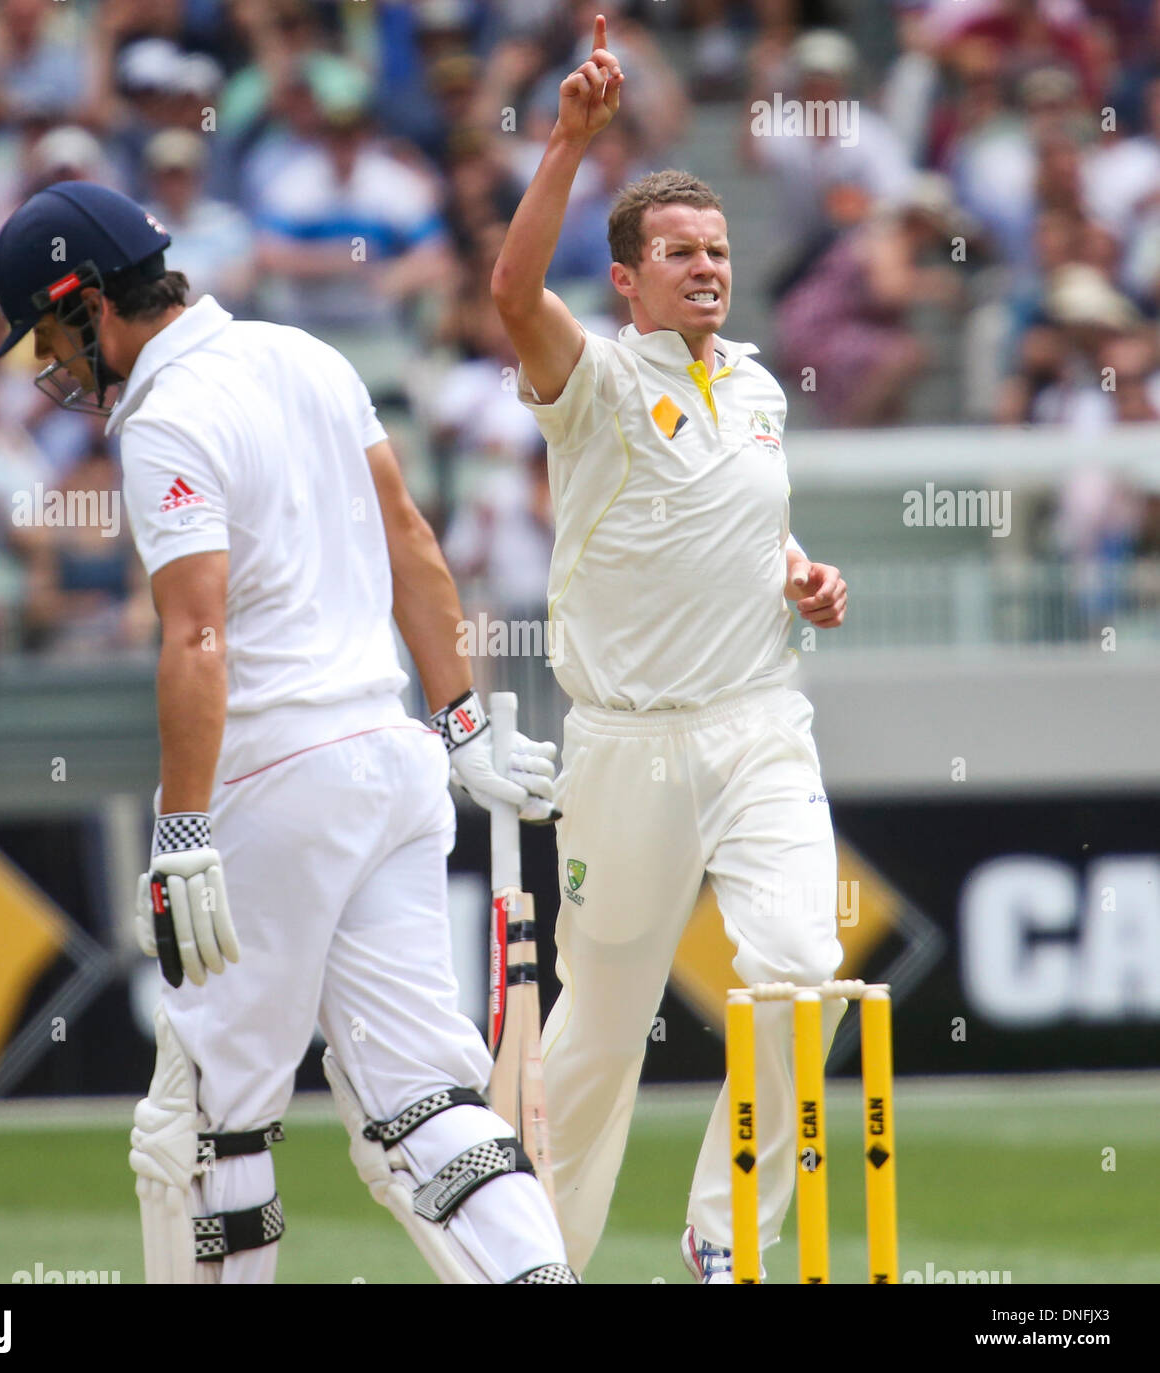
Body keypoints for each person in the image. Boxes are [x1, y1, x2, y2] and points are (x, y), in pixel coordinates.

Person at [0, 179, 575, 1285]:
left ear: (87, 300)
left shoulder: (165, 416)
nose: (52, 364)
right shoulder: (304, 355)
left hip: (273, 782)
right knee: (427, 1101)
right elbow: (412, 540)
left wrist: (183, 827)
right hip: (390, 761)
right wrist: (456, 721)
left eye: (50, 332)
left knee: (209, 1122)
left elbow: (197, 635)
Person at [491, 16, 849, 1283]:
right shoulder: (587, 381)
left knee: (803, 966)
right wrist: (570, 138)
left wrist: (799, 575)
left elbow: (742, 520)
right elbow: (508, 293)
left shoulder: (754, 386)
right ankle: (538, 1257)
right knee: (601, 1028)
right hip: (625, 745)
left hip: (758, 719)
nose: (704, 269)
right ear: (629, 277)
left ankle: (719, 1240)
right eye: (678, 254)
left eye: (717, 251)